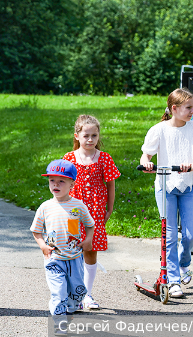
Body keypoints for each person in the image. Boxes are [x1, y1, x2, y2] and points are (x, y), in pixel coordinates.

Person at [139, 88, 193, 298]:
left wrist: (191, 166)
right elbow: (145, 156)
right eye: (188, 108)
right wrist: (148, 164)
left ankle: (184, 263)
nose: (192, 111)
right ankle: (174, 281)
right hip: (165, 186)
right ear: (174, 108)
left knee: (190, 235)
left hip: (188, 186)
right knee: (168, 237)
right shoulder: (158, 130)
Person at [62, 115, 120, 310]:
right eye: (86, 135)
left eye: (94, 135)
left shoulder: (104, 158)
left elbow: (110, 184)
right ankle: (74, 294)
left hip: (94, 211)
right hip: (72, 212)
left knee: (90, 249)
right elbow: (61, 184)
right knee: (72, 248)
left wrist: (109, 207)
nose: (90, 139)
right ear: (77, 136)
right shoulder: (69, 158)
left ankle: (86, 294)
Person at [31, 159, 94, 324]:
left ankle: (71, 307)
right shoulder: (45, 207)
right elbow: (36, 231)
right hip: (54, 259)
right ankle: (59, 321)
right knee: (58, 293)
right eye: (52, 180)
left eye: (61, 181)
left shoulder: (78, 206)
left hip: (74, 258)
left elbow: (90, 225)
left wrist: (88, 240)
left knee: (78, 291)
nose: (55, 184)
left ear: (72, 183)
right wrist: (43, 246)